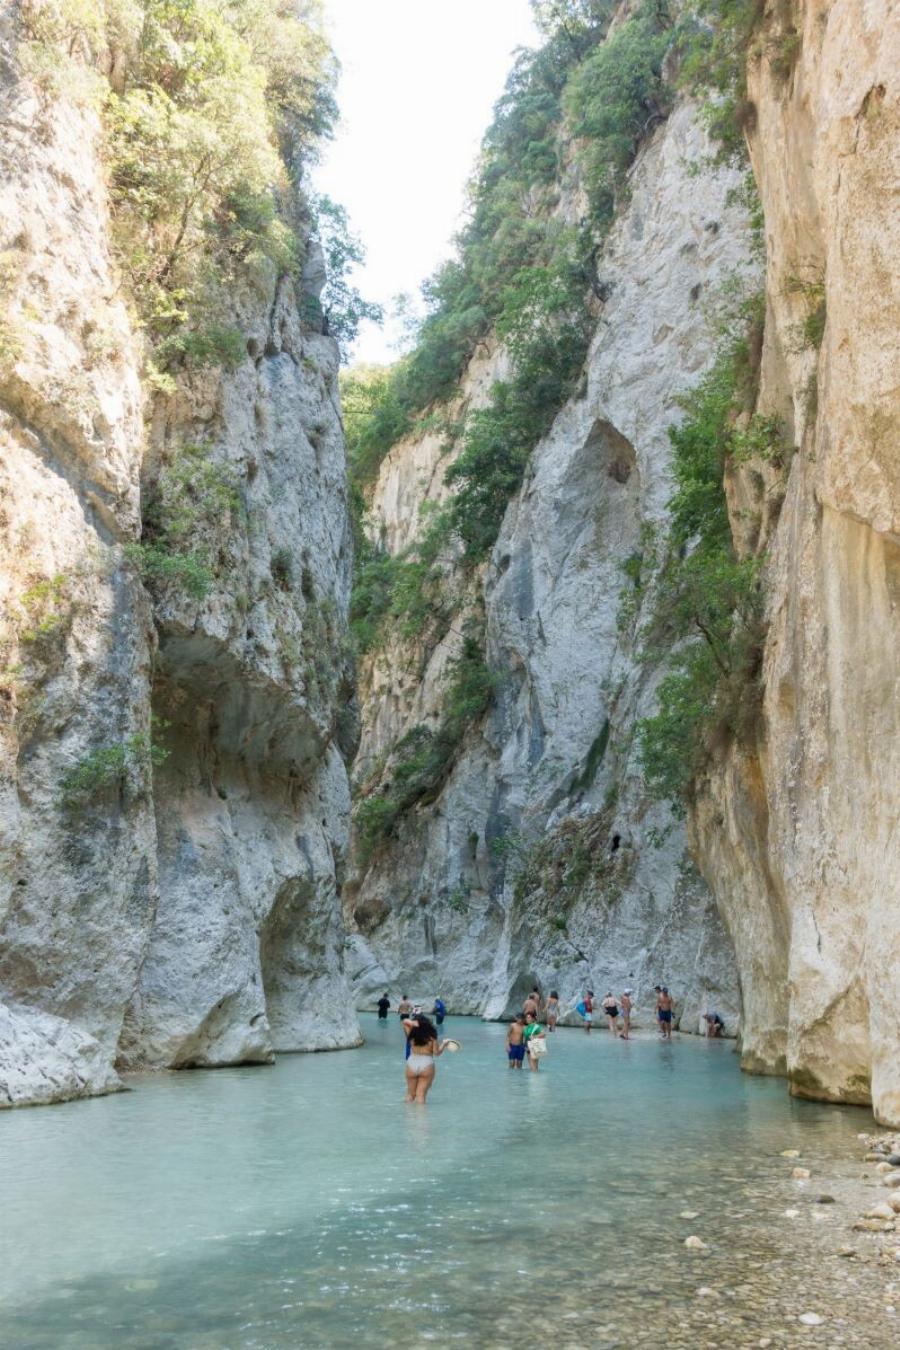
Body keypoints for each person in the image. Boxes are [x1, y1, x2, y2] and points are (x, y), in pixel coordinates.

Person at [402, 1011, 446, 1104]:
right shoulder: (432, 1037)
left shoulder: (411, 1034)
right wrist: (444, 1044)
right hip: (427, 1063)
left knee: (410, 1094)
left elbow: (405, 1021)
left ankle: (408, 1117)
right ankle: (421, 1117)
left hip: (412, 1062)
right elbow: (436, 1053)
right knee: (420, 1094)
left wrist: (417, 1024)